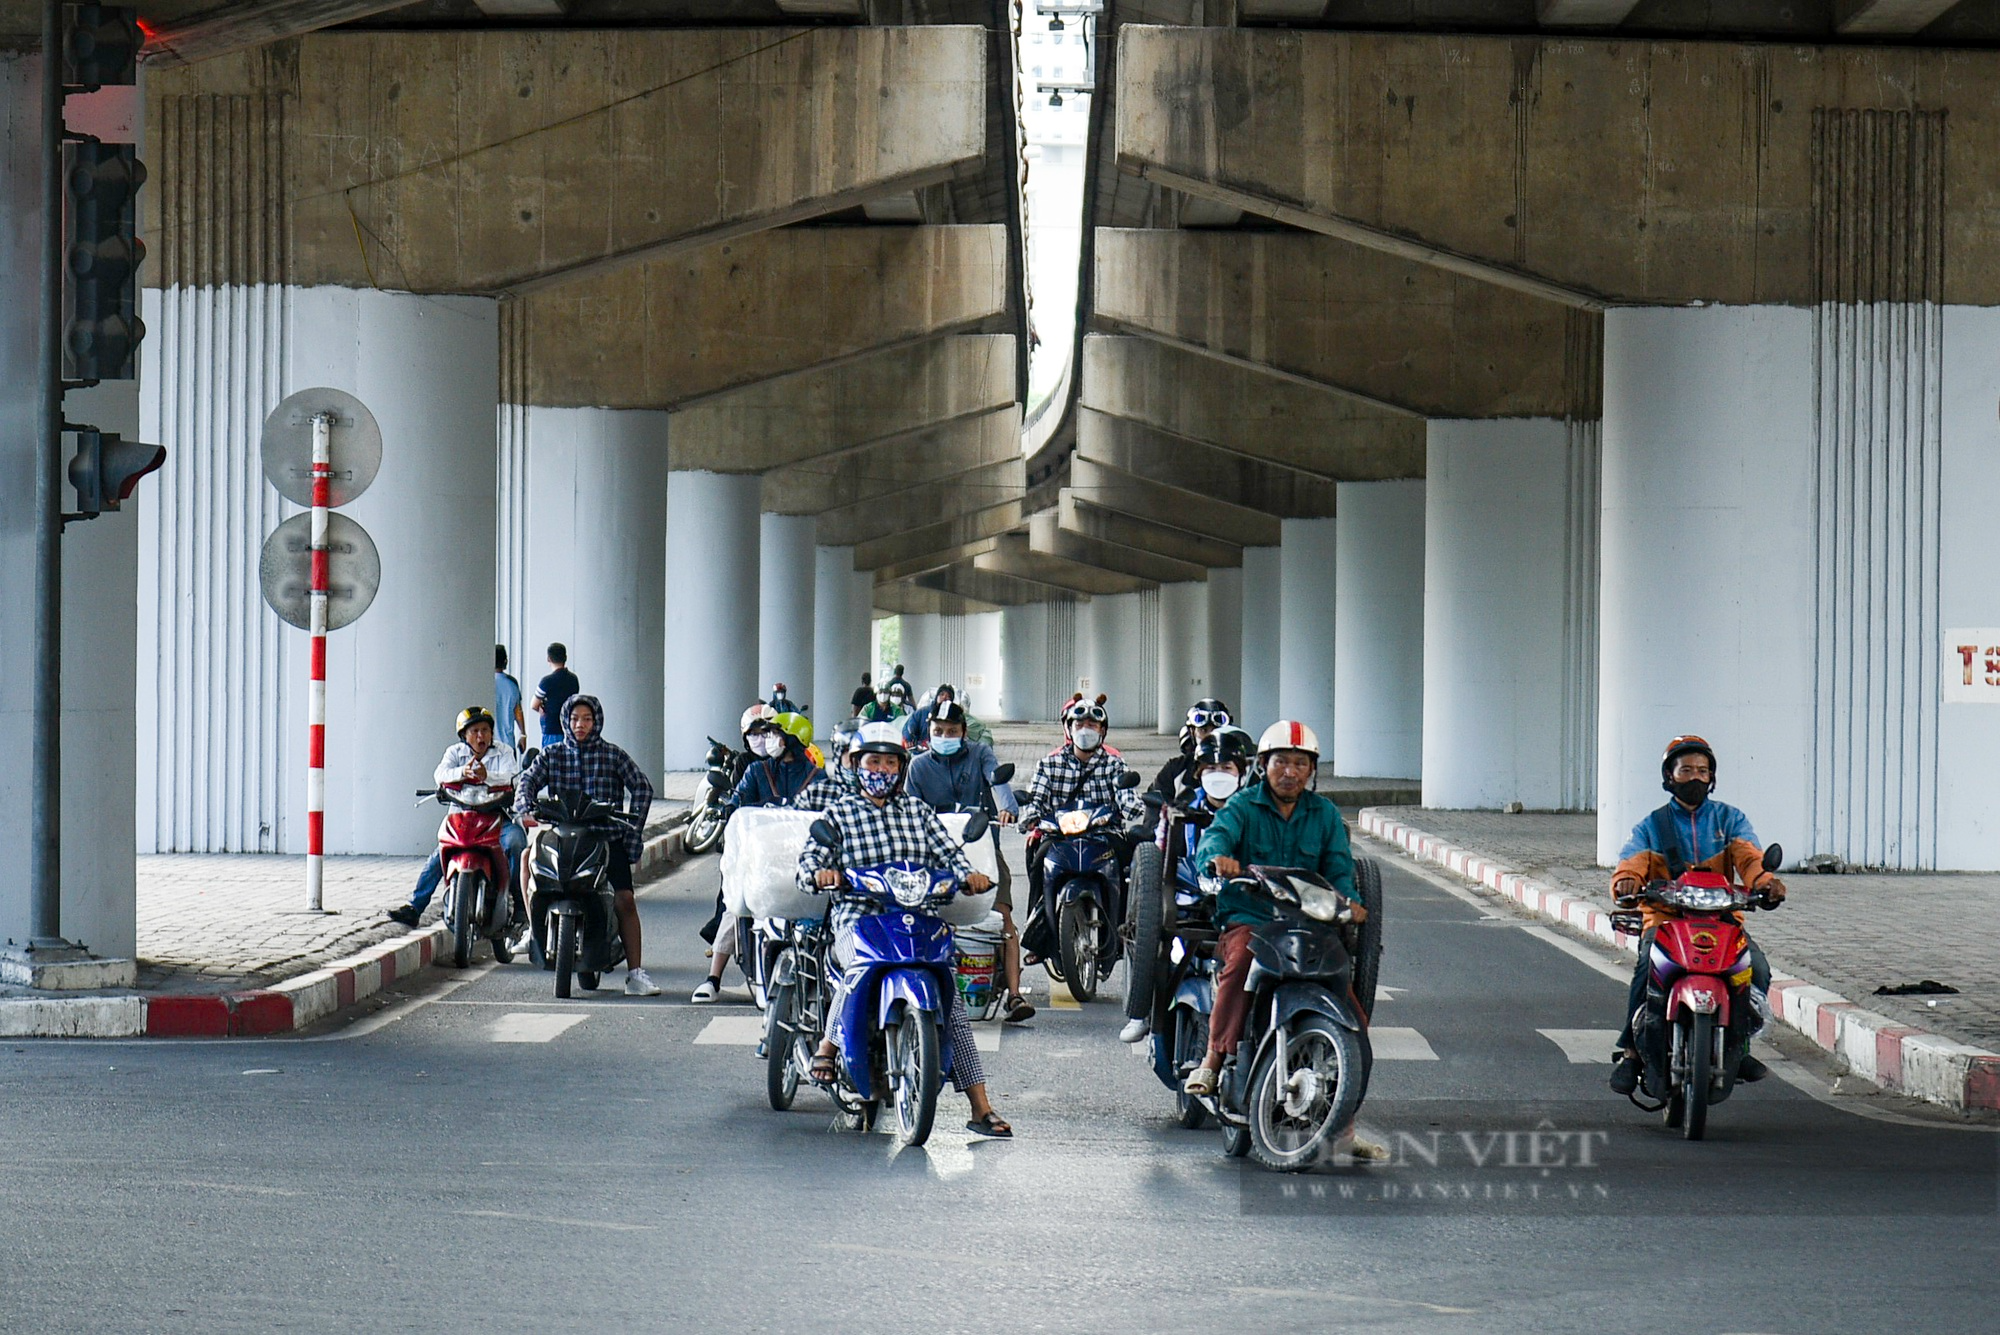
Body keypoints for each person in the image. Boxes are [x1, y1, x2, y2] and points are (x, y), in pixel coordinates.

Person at [796, 723, 1012, 1137]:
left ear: (901, 767)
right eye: (873, 761)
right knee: (857, 970)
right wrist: (822, 875)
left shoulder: (917, 812)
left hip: (919, 919)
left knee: (951, 1001)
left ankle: (980, 1105)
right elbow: (809, 863)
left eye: (890, 762)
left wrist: (971, 876)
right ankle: (829, 1045)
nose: (882, 769)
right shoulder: (840, 814)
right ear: (858, 765)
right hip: (859, 919)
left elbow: (950, 854)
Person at [1185, 720, 1386, 1159]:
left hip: (1310, 924)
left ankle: (1343, 1127)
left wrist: (1350, 902)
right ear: (1263, 765)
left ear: (1312, 770)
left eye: (1300, 763)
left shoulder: (1326, 815)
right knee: (1238, 965)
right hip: (1251, 919)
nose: (1290, 772)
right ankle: (1213, 1061)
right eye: (1282, 762)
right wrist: (1219, 859)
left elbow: (1339, 871)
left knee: (1352, 1013)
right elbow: (1215, 839)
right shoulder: (1241, 807)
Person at [1606, 735, 1786, 1095]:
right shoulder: (1651, 826)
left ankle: (1740, 1046)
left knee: (1758, 969)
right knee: (1647, 969)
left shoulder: (1729, 819)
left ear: (1712, 778)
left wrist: (1765, 882)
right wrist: (1627, 882)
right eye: (1686, 770)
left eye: (1703, 771)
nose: (1695, 778)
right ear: (1669, 777)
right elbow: (1631, 863)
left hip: (1721, 920)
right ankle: (1631, 1052)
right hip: (1666, 920)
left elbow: (1750, 858)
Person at [513, 695, 660, 996]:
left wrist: (632, 832)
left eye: (587, 719)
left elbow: (642, 788)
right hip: (561, 835)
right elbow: (526, 782)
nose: (580, 725)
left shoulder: (613, 755)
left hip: (605, 838)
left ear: (597, 722)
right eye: (575, 719)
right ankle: (534, 930)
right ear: (566, 721)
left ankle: (635, 974)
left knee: (625, 900)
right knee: (528, 857)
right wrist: (525, 804)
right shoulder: (552, 754)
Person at [1118, 724, 1255, 1043]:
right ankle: (1142, 1014)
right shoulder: (1179, 809)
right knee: (1161, 947)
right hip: (1190, 892)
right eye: (1211, 768)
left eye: (1226, 768)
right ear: (1199, 772)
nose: (1218, 774)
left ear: (1240, 772)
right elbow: (1160, 857)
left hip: (1243, 898)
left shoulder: (1254, 810)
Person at [907, 700, 1033, 1023]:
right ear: (929, 732)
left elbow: (998, 781)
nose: (944, 735)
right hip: (934, 856)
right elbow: (907, 810)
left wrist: (1007, 808)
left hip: (983, 852)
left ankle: (1015, 996)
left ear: (964, 732)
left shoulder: (980, 755)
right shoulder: (917, 767)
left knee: (1004, 916)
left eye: (951, 731)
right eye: (938, 731)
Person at [693, 707, 826, 1003]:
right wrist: (727, 810)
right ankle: (713, 978)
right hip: (761, 860)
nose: (768, 740)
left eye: (774, 734)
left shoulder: (818, 777)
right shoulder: (756, 771)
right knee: (735, 904)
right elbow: (739, 800)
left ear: (792, 740)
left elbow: (829, 812)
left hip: (803, 862)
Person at [1017, 693, 1147, 931]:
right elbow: (1035, 796)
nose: (1085, 730)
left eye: (1092, 725)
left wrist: (1133, 806)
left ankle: (1128, 924)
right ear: (1069, 729)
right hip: (1058, 836)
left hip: (1104, 834)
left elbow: (1127, 797)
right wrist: (1028, 816)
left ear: (1102, 731)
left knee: (1127, 864)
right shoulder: (1049, 764)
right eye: (1079, 724)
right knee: (1038, 864)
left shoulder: (1114, 763)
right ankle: (1038, 930)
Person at [387, 707, 525, 928]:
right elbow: (440, 774)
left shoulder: (504, 752)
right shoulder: (454, 753)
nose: (481, 736)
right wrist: (463, 773)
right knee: (438, 855)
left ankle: (519, 905)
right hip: (462, 818)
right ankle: (415, 907)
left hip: (496, 818)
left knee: (516, 842)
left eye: (485, 730)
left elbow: (513, 777)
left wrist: (486, 776)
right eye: (475, 731)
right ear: (464, 735)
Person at [1146, 698, 1234, 807]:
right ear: (1192, 732)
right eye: (1203, 730)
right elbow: (1155, 807)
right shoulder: (1176, 768)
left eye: (1226, 768)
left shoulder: (1242, 769)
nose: (1211, 735)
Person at [530, 643, 580, 750]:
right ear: (565, 658)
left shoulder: (546, 681)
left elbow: (534, 705)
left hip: (551, 728)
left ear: (548, 659)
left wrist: (542, 710)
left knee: (550, 761)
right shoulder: (573, 679)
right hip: (569, 727)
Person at [494, 646, 526, 755]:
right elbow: (518, 711)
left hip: (488, 744)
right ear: (505, 661)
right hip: (508, 744)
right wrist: (523, 734)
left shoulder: (485, 682)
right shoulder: (512, 683)